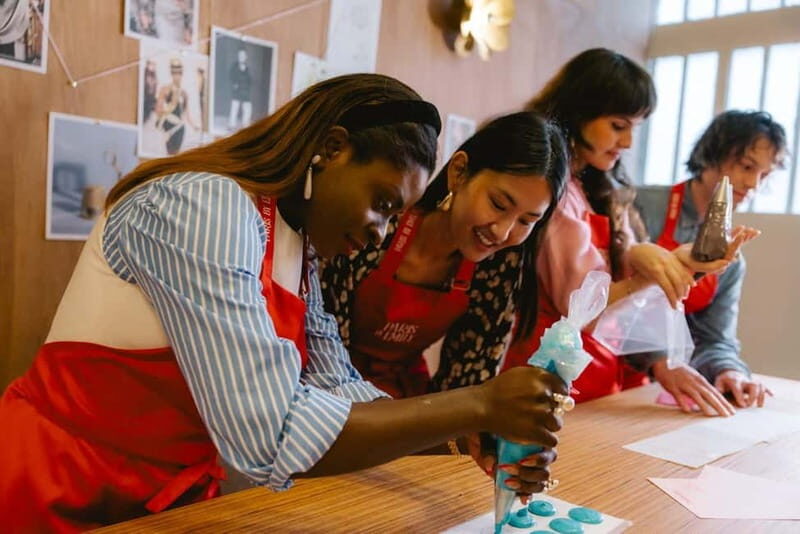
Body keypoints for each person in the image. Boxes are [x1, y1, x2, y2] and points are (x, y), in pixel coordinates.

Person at [0, 74, 567, 532]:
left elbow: (337, 386)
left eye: (394, 219)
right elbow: (269, 435)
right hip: (56, 487)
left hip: (165, 500)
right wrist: (476, 405)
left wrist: (460, 436)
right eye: (383, 203)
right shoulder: (202, 207)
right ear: (331, 149)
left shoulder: (294, 241)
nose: (380, 233)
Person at [502, 48, 753, 410]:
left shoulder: (606, 193)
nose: (628, 143)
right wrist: (646, 271)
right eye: (618, 126)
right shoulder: (555, 195)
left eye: (633, 129)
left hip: (603, 376)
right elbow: (580, 307)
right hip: (546, 375)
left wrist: (675, 266)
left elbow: (641, 307)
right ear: (579, 112)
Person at [320, 111, 568, 400]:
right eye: (499, 204)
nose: (503, 232)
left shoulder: (499, 266)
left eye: (526, 221)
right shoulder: (381, 226)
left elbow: (469, 384)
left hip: (408, 399)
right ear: (459, 172)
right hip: (330, 392)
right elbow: (319, 345)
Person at [634, 110, 786, 414]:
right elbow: (608, 294)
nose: (754, 183)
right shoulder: (640, 206)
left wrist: (729, 371)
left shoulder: (731, 256)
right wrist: (661, 361)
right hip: (598, 369)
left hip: (653, 388)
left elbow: (715, 338)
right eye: (746, 166)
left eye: (764, 175)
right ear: (712, 154)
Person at [155, 57, 200, 155]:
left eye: (179, 73)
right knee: (168, 151)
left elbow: (186, 114)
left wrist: (194, 126)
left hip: (179, 128)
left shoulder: (184, 94)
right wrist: (161, 122)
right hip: (168, 124)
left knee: (175, 153)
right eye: (175, 73)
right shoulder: (165, 89)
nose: (177, 76)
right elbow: (158, 108)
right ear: (171, 73)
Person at [228, 48, 253, 131]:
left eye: (243, 56)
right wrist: (234, 84)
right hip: (237, 90)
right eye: (239, 55)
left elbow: (250, 80)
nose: (241, 57)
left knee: (247, 108)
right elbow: (231, 77)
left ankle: (245, 126)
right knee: (234, 106)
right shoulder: (234, 67)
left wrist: (247, 87)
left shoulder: (248, 68)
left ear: (246, 57)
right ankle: (231, 125)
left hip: (245, 90)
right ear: (238, 56)